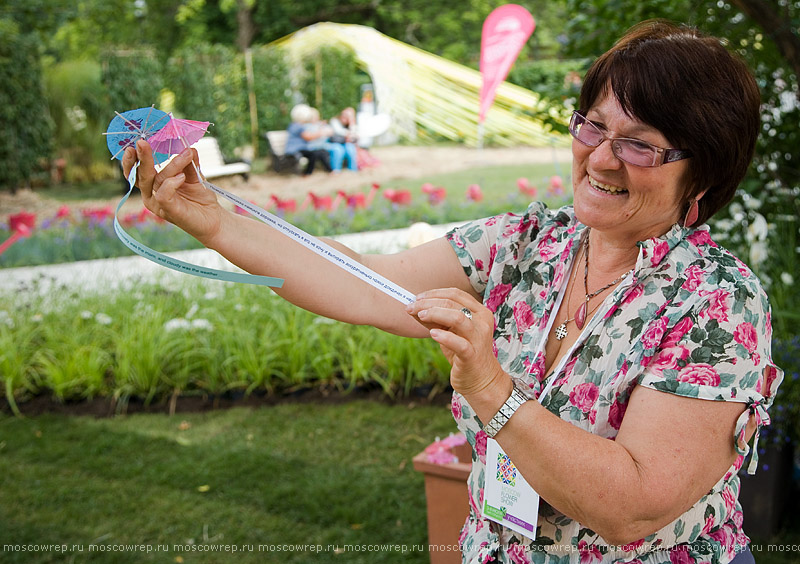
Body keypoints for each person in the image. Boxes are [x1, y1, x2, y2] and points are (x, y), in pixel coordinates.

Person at [124, 20, 782, 564]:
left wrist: (490, 386)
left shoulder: (716, 303)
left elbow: (630, 506)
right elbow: (364, 283)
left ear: (703, 173)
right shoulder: (527, 243)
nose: (601, 158)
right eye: (593, 126)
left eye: (639, 145)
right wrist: (206, 216)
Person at [284, 104, 332, 175]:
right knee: (313, 154)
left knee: (318, 153)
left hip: (298, 149)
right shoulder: (298, 126)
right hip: (296, 150)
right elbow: (308, 137)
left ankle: (327, 171)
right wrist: (320, 133)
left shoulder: (294, 124)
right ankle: (308, 173)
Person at [329, 107, 360, 172]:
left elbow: (355, 136)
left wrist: (351, 123)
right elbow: (340, 131)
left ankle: (353, 170)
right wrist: (350, 134)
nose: (345, 117)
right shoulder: (334, 121)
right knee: (338, 150)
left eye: (348, 116)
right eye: (345, 115)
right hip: (334, 143)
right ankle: (336, 171)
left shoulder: (350, 125)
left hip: (345, 144)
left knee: (351, 148)